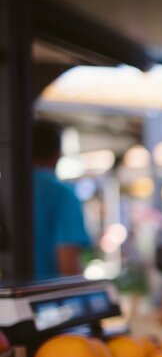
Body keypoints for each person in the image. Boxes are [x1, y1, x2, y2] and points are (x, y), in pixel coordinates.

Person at [32, 120, 91, 279]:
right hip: (44, 300)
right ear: (58, 154)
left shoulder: (7, 188)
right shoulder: (62, 194)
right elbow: (68, 264)